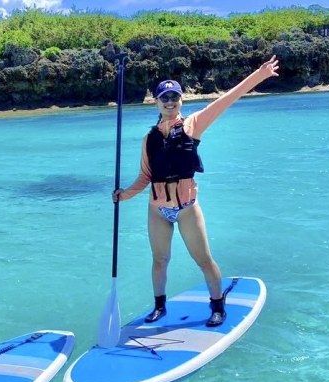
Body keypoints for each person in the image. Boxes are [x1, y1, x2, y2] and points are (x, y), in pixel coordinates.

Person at [113, 56, 280, 326]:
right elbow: (145, 176)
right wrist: (124, 195)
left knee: (203, 259)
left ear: (181, 100)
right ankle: (159, 306)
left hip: (187, 208)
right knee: (159, 260)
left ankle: (217, 305)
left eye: (174, 97)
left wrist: (259, 76)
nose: (169, 102)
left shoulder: (193, 125)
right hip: (157, 209)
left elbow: (227, 99)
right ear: (156, 102)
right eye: (164, 97)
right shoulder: (149, 139)